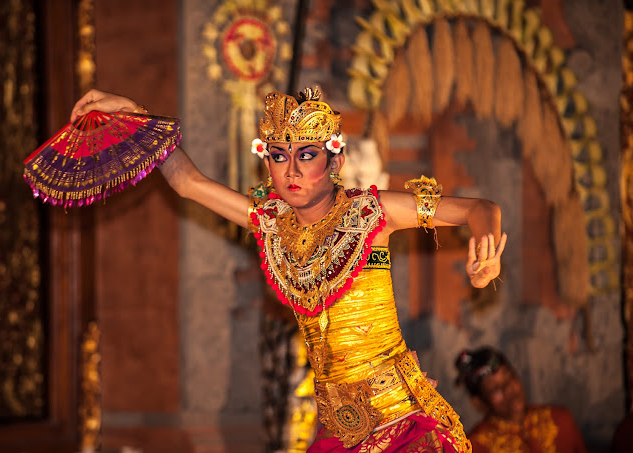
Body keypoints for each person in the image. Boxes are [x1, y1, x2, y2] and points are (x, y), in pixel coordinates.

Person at [71, 87, 507, 453]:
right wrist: (135, 116)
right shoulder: (271, 224)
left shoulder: (372, 212)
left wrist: (487, 251)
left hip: (402, 422)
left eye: (307, 154)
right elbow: (188, 183)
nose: (292, 170)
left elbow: (477, 208)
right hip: (337, 431)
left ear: (334, 161)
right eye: (279, 156)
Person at [454, 346, 589, 453]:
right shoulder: (474, 447)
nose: (508, 388)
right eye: (494, 388)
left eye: (510, 377)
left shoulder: (560, 420)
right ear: (478, 403)